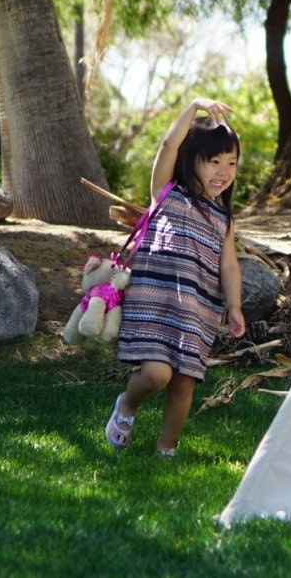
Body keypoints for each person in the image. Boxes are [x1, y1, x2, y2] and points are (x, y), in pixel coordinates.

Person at [105, 97, 245, 457]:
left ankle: (166, 450)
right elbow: (168, 144)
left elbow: (229, 266)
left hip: (197, 309)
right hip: (154, 300)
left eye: (231, 163)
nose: (224, 171)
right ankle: (127, 406)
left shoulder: (223, 219)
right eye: (214, 161)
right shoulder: (167, 194)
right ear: (190, 160)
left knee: (184, 382)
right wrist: (194, 107)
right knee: (156, 375)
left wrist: (234, 305)